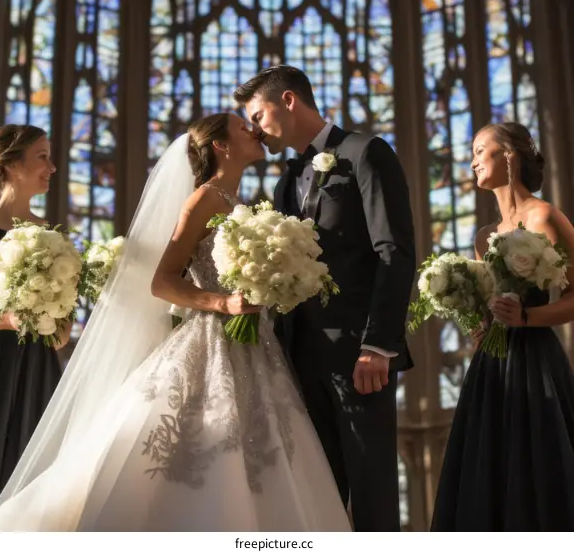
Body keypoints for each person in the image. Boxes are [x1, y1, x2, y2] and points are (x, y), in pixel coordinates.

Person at [0, 113, 352, 532]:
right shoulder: (203, 199)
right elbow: (162, 282)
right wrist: (222, 302)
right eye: (241, 127)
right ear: (221, 146)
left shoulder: (241, 205)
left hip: (256, 349)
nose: (254, 130)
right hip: (210, 341)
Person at [234, 66, 416, 532]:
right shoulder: (283, 183)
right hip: (298, 360)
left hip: (360, 355)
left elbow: (393, 253)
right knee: (316, 497)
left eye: (258, 114)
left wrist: (378, 345)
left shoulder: (365, 153)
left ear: (289, 100)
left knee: (372, 490)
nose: (255, 128)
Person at [431, 122, 574, 531]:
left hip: (536, 364)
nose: (472, 160)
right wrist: (479, 323)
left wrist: (527, 318)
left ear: (509, 155)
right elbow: (488, 304)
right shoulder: (484, 236)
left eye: (480, 150)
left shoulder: (544, 215)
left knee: (537, 470)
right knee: (489, 470)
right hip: (491, 369)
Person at [0, 124, 67, 530]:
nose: (54, 166)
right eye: (42, 157)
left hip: (38, 369)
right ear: (12, 166)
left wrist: (54, 323)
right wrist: (4, 319)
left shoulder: (50, 237)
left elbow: (63, 331)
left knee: (30, 477)